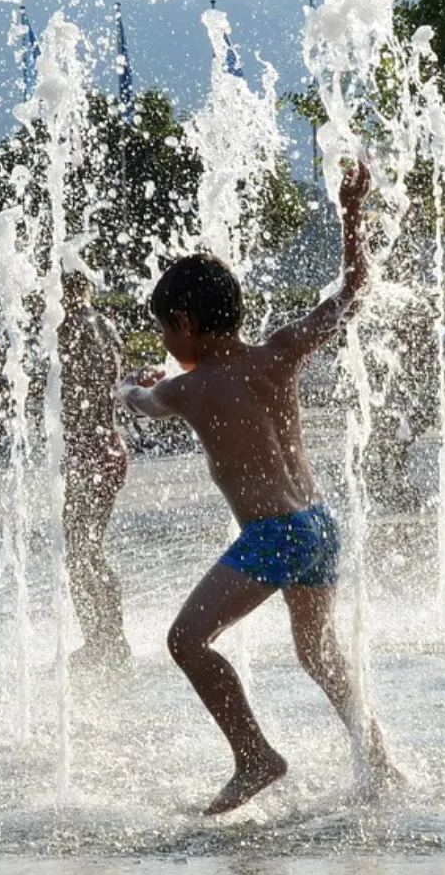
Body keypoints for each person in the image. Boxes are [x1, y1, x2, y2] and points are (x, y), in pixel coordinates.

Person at [119, 160, 399, 815]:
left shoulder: (187, 388)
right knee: (320, 653)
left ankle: (254, 756)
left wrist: (126, 386)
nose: (165, 340)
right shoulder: (280, 351)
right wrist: (351, 213)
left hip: (274, 534)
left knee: (187, 641)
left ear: (184, 322)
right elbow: (356, 290)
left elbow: (145, 404)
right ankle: (380, 763)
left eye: (165, 329)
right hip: (318, 524)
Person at [59, 270, 132, 671]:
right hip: (109, 447)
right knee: (91, 548)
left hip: (85, 452)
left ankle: (99, 641)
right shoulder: (108, 326)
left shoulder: (68, 329)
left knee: (78, 551)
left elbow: (61, 390)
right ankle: (112, 636)